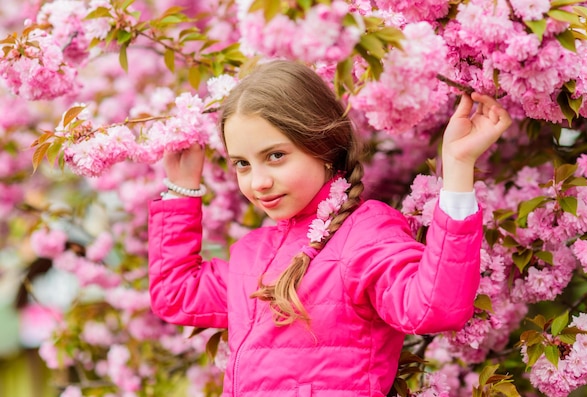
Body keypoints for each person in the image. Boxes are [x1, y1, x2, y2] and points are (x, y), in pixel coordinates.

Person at [148, 60, 512, 397]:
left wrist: (459, 166)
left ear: (323, 146)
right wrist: (182, 189)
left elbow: (433, 307)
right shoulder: (251, 253)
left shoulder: (364, 234)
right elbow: (175, 293)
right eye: (242, 164)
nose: (258, 181)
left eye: (275, 156)